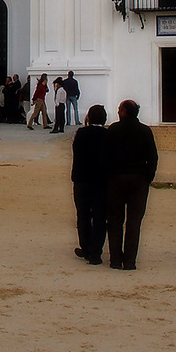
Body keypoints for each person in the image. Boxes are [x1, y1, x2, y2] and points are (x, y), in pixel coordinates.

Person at [103, 99, 158, 270]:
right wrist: (148, 177)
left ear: (125, 112)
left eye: (119, 109)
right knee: (134, 222)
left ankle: (115, 259)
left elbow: (104, 155)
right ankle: (129, 261)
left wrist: (107, 176)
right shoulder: (145, 131)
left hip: (116, 179)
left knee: (114, 220)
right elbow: (153, 157)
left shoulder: (113, 130)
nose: (118, 111)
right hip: (139, 179)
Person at [71, 104, 108, 265]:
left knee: (83, 215)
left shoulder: (80, 133)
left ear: (89, 117)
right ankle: (95, 252)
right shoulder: (108, 135)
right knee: (100, 217)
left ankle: (85, 247)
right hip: (101, 181)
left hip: (82, 179)